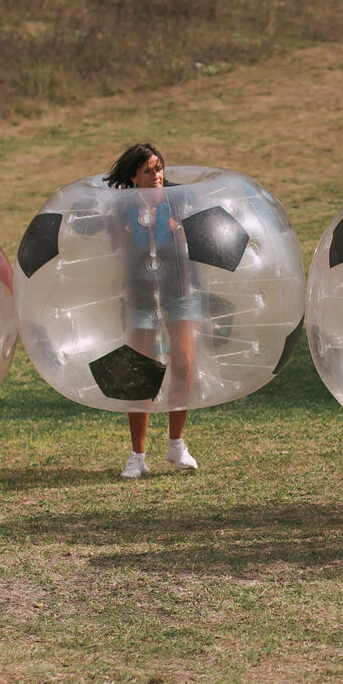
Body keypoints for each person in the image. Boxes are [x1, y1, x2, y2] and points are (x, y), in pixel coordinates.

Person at [106, 143, 200, 478]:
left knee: (184, 364)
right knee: (139, 373)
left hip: (179, 290)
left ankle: (176, 445)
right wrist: (129, 230)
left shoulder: (179, 199)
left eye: (158, 168)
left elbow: (196, 240)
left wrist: (175, 225)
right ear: (133, 177)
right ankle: (137, 456)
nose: (156, 175)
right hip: (141, 293)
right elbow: (115, 248)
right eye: (147, 170)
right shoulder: (120, 208)